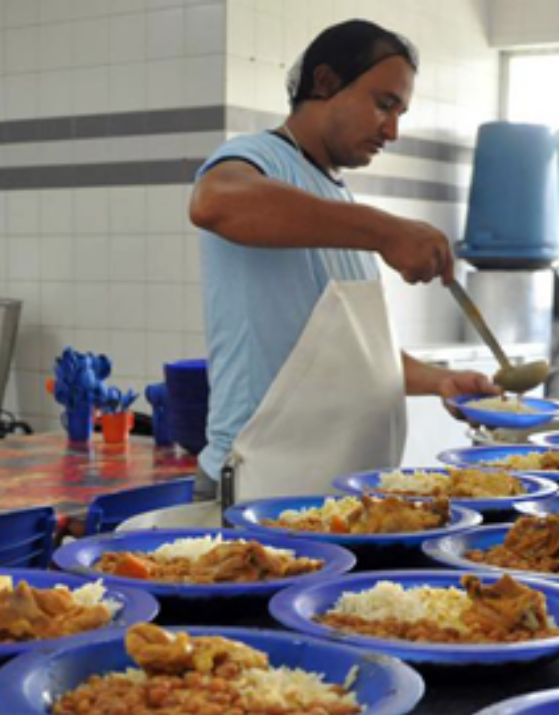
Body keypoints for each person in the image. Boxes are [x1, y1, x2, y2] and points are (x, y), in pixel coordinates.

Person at [186, 19, 498, 502]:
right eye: (383, 104)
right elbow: (214, 202)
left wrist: (441, 381)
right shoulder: (257, 158)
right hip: (262, 485)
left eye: (401, 112)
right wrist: (387, 231)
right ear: (326, 82)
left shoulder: (336, 202)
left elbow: (352, 356)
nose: (393, 130)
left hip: (337, 492)